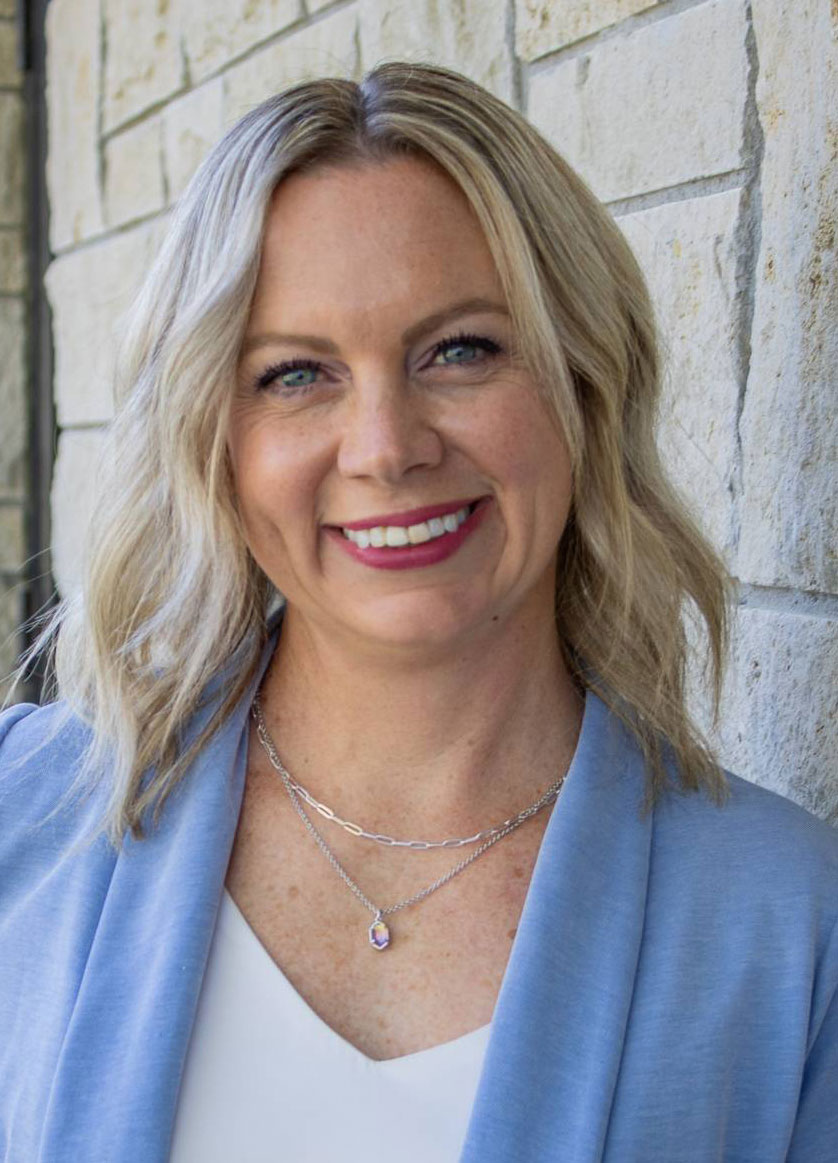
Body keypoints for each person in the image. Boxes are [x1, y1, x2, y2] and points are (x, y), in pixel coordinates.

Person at [1, 61, 836, 1163]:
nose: (388, 445)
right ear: (214, 440)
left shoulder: (788, 925)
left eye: (460, 350)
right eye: (295, 374)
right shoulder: (26, 816)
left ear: (582, 383)